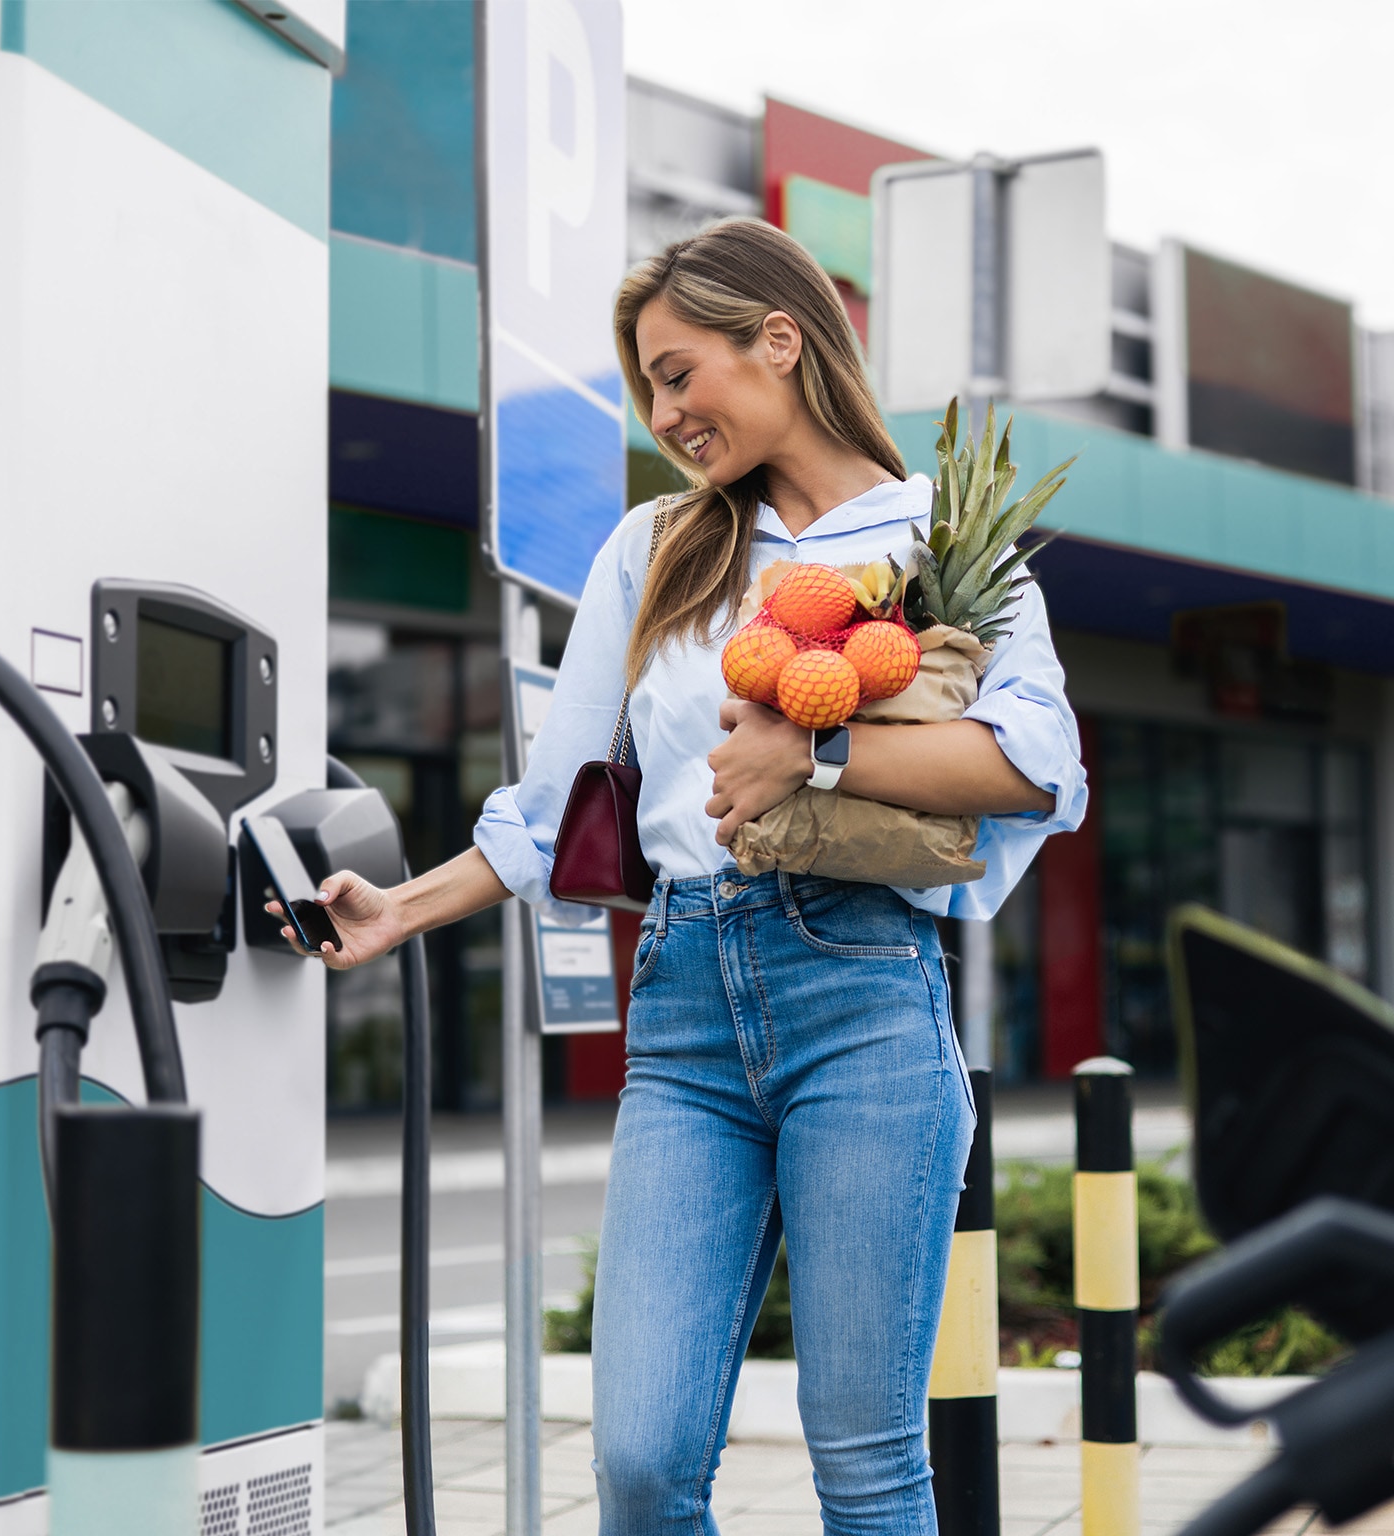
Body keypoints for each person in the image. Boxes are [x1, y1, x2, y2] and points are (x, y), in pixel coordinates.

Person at [276, 217, 1086, 1535]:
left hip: (867, 995)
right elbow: (551, 811)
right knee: (644, 1463)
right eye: (648, 386)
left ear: (779, 340)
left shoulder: (946, 543)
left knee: (870, 1464)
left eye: (676, 372)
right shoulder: (657, 547)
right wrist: (400, 911)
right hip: (690, 1012)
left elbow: (1039, 765)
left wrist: (816, 752)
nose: (665, 413)